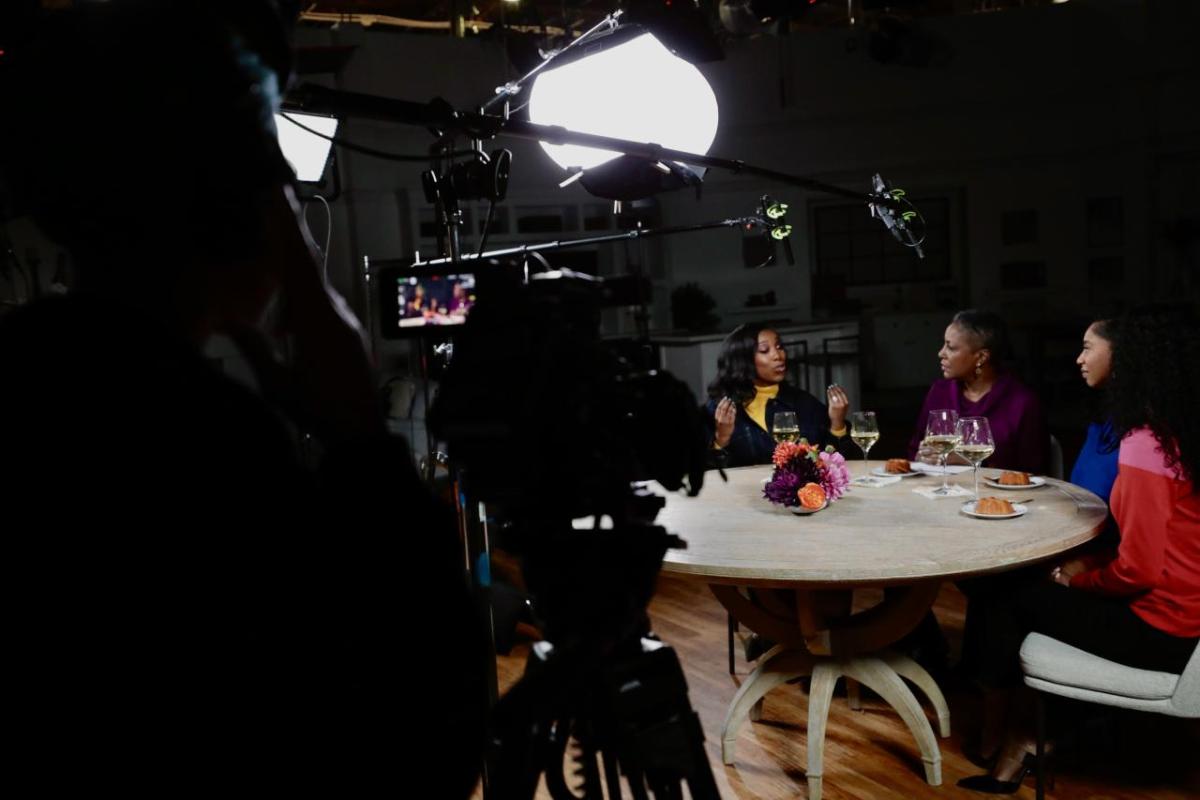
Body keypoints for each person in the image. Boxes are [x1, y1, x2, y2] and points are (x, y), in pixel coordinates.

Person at [0, 3, 484, 794]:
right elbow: (420, 742)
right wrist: (362, 442)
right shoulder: (202, 446)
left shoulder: (40, 380)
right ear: (250, 208)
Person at [958, 304, 1200, 794]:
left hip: (1163, 628)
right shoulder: (1177, 434)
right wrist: (1087, 565)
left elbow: (1141, 570)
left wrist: (1078, 578)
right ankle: (1024, 732)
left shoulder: (1144, 444)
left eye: (1089, 347)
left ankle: (1009, 737)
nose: (1078, 358)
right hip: (1183, 614)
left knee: (1001, 591)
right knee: (1022, 590)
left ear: (1127, 360)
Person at [907, 309, 1049, 474]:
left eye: (951, 348)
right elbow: (914, 450)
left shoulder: (1022, 402)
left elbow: (1034, 470)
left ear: (981, 357)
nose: (941, 353)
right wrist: (922, 457)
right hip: (939, 491)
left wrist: (972, 460)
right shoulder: (940, 391)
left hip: (1000, 496)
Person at [705, 323, 852, 469]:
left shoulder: (803, 402)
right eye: (764, 350)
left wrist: (837, 424)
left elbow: (835, 466)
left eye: (779, 347)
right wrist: (721, 440)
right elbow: (701, 474)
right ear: (743, 360)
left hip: (800, 491)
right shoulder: (721, 408)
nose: (778, 355)